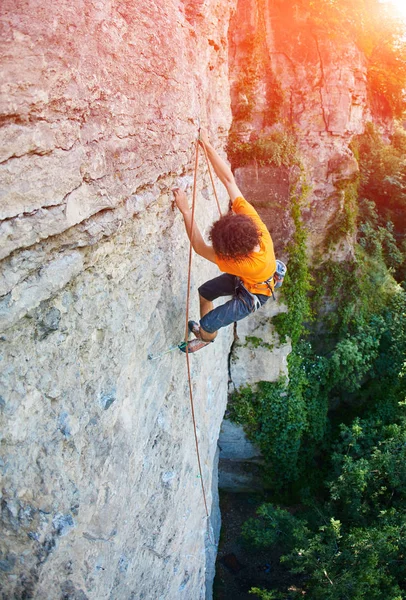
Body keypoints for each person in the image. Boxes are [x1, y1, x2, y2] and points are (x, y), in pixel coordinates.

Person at [173, 129, 280, 353]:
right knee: (205, 292)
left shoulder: (244, 263)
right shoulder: (253, 224)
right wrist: (207, 145)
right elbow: (228, 180)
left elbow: (200, 247)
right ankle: (205, 330)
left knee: (209, 323)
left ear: (235, 254)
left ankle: (205, 337)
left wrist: (185, 210)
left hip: (254, 294)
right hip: (251, 277)